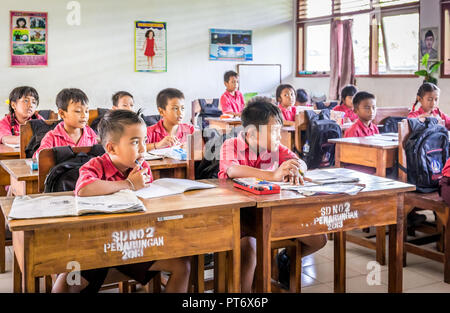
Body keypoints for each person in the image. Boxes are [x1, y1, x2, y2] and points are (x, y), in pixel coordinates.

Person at [52, 109, 191, 293]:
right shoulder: (96, 165)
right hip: (95, 247)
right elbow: (84, 189)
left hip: (133, 244)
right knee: (67, 281)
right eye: (135, 142)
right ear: (111, 148)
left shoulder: (142, 168)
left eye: (145, 141)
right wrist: (128, 184)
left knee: (182, 265)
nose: (143, 149)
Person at [218, 97, 326, 292]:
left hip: (272, 214)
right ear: (251, 133)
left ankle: (284, 259)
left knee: (318, 238)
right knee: (250, 251)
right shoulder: (231, 145)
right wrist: (272, 175)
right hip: (241, 219)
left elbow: (299, 162)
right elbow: (233, 170)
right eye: (275, 131)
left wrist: (297, 168)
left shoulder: (275, 148)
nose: (280, 135)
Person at [34, 88, 98, 158]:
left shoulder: (90, 134)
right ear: (62, 114)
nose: (84, 115)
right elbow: (38, 159)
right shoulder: (52, 137)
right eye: (78, 111)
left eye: (86, 111)